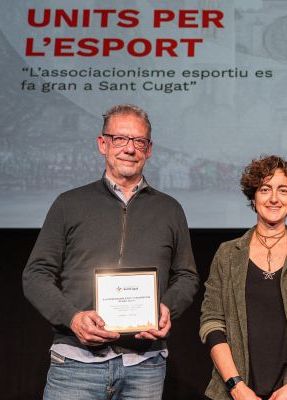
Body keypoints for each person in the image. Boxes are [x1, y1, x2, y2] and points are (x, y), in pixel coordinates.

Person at [22, 104, 199, 399]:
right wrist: (72, 318)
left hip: (145, 366)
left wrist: (168, 307)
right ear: (102, 143)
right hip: (75, 364)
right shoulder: (69, 204)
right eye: (120, 139)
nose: (129, 149)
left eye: (138, 141)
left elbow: (187, 276)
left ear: (149, 149)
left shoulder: (170, 209)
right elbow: (36, 274)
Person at [200, 155, 287, 399]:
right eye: (265, 189)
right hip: (235, 392)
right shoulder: (228, 254)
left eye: (283, 190)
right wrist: (236, 386)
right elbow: (212, 323)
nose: (274, 198)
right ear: (253, 197)